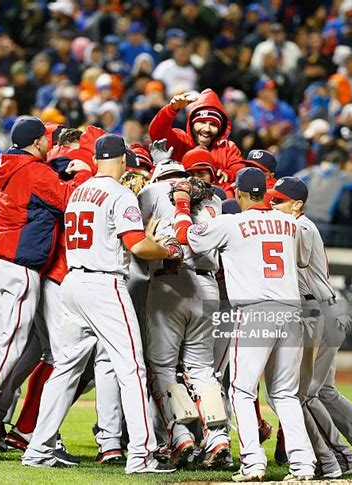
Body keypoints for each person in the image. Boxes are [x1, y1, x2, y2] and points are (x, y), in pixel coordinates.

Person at [22, 134, 182, 472]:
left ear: (96, 160)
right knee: (132, 369)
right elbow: (138, 246)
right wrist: (168, 249)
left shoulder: (80, 191)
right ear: (123, 161)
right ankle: (142, 454)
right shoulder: (121, 193)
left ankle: (37, 449)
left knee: (65, 369)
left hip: (73, 282)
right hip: (104, 283)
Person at [0, 117, 91, 448]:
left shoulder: (10, 163)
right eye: (46, 140)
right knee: (10, 342)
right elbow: (66, 198)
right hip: (18, 265)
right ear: (37, 142)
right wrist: (82, 173)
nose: (49, 144)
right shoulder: (33, 170)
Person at [172, 167, 316, 482]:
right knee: (285, 394)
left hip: (256, 311)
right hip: (292, 311)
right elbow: (302, 261)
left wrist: (182, 204)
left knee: (240, 389)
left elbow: (186, 237)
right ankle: (304, 465)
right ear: (264, 194)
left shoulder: (231, 222)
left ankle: (252, 463)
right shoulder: (291, 224)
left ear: (238, 194)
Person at [270, 176, 352, 478]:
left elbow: (296, 259)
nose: (273, 204)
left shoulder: (300, 226)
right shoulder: (295, 224)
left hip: (319, 311)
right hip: (322, 309)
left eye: (279, 200)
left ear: (297, 204)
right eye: (272, 199)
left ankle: (340, 458)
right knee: (323, 391)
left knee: (304, 394)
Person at [138, 142, 231, 469]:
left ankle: (182, 437)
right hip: (207, 286)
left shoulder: (151, 191)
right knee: (202, 369)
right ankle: (219, 439)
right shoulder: (215, 199)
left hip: (169, 281)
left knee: (162, 368)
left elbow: (138, 241)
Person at [149, 89, 245, 194]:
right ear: (192, 124)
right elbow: (157, 133)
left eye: (213, 125)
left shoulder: (227, 148)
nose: (207, 129)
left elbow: (241, 172)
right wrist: (171, 110)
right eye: (202, 122)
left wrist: (229, 174)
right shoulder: (180, 140)